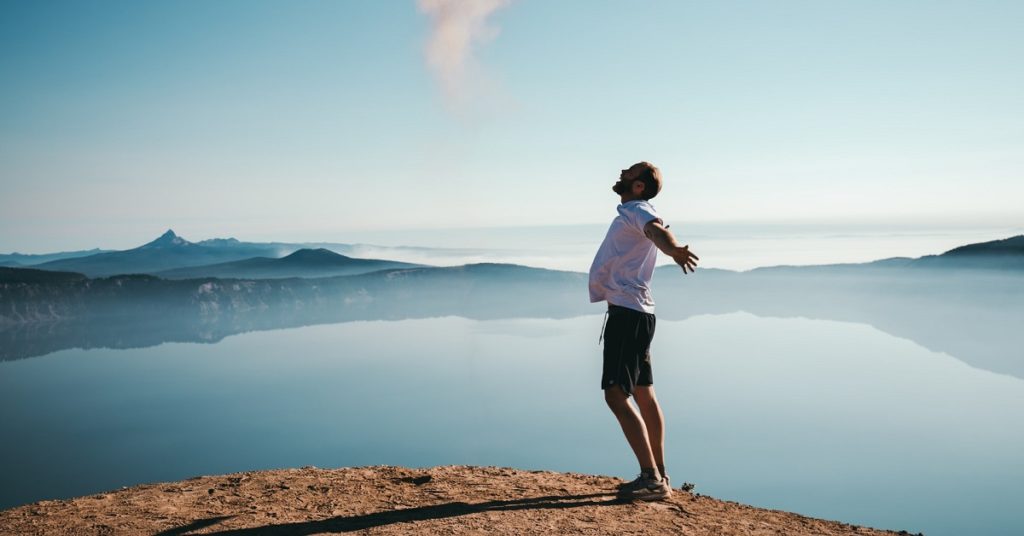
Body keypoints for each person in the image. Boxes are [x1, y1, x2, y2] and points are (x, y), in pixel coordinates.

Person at [588, 161, 698, 501]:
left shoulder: (638, 210)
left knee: (615, 394)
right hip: (636, 313)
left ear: (638, 186)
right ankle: (659, 473)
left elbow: (657, 231)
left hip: (628, 315)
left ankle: (651, 479)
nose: (621, 173)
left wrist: (673, 249)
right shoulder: (633, 211)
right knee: (642, 391)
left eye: (629, 172)